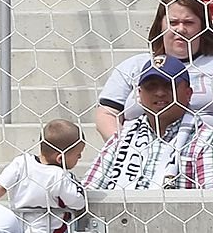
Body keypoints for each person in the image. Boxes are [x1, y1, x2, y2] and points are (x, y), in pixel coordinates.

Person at [96, 0, 213, 141]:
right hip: (139, 155)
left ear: (202, 26)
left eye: (189, 22)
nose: (181, 29)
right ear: (161, 25)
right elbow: (106, 113)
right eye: (173, 22)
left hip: (202, 154)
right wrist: (121, 148)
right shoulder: (134, 66)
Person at [85, 56, 213, 190]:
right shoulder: (122, 138)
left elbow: (210, 200)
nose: (159, 93)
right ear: (139, 94)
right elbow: (91, 191)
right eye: (151, 86)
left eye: (169, 85)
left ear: (188, 93)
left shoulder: (205, 140)